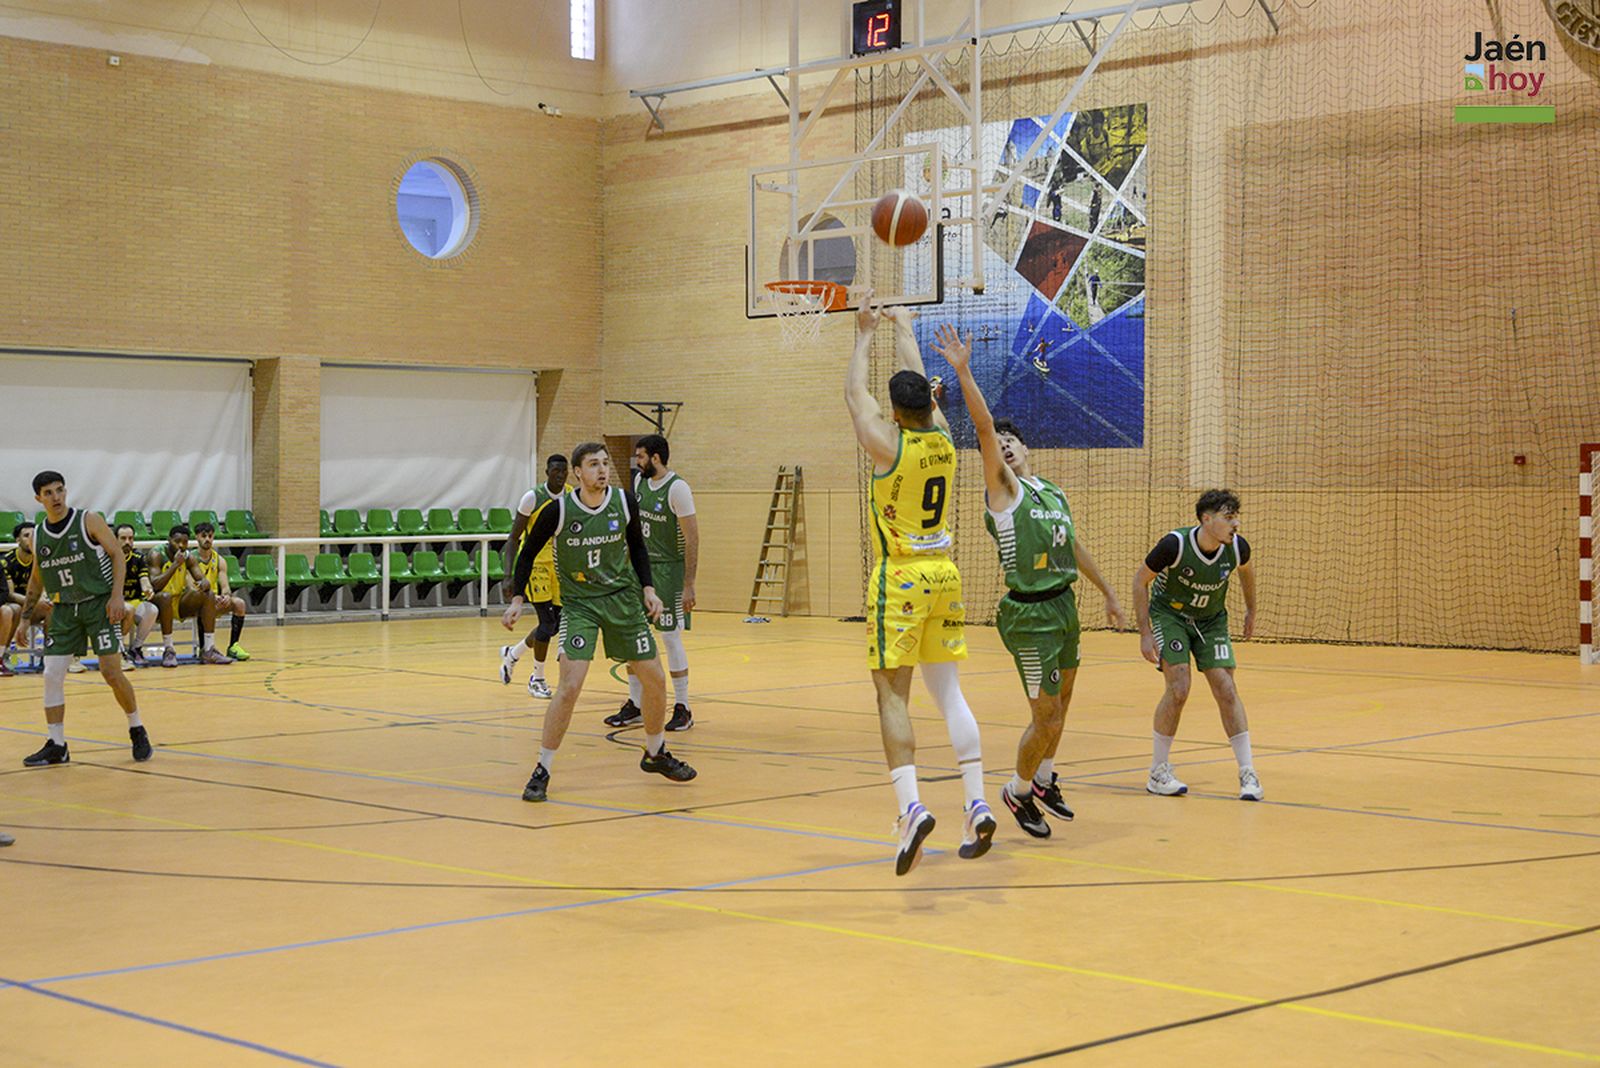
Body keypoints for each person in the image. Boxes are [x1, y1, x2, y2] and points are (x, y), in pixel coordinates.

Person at [934, 324, 1128, 838]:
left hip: (1065, 607)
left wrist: (1107, 591)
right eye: (998, 445)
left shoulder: (1053, 492)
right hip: (1030, 614)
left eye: (1011, 440)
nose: (1004, 447)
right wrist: (963, 370)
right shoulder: (1004, 492)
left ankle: (1043, 779)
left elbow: (1074, 547)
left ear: (1026, 446)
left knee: (1061, 709)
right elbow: (980, 430)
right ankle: (1017, 793)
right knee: (1044, 716)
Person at [848, 296, 996, 876]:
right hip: (946, 576)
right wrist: (905, 325)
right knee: (951, 694)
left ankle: (911, 808)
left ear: (896, 410)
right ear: (929, 402)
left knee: (892, 695)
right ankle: (977, 800)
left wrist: (864, 334)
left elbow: (853, 398)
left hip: (902, 576)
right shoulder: (944, 439)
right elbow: (923, 393)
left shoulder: (889, 444)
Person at [503, 442, 696, 802]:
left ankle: (655, 753)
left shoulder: (624, 501)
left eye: (605, 463)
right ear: (578, 472)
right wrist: (517, 598)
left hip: (623, 600)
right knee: (570, 686)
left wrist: (649, 589)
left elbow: (638, 546)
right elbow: (527, 552)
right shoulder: (558, 510)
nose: (602, 470)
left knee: (654, 677)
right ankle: (542, 768)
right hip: (580, 606)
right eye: (594, 464)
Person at [1132, 489, 1261, 801]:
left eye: (1236, 517)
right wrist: (1145, 632)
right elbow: (1140, 581)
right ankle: (1158, 770)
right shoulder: (1174, 545)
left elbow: (1246, 574)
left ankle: (1248, 772)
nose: (1236, 523)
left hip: (1211, 620)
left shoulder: (1237, 548)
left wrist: (1251, 610)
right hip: (1170, 616)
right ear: (1207, 519)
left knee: (1226, 688)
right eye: (1228, 517)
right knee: (1178, 688)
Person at [18, 471, 152, 767]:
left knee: (111, 673)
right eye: (49, 493)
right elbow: (36, 579)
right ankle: (57, 744)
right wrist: (25, 620)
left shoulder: (88, 520)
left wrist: (117, 596)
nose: (56, 497)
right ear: (38, 498)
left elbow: (117, 554)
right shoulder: (39, 534)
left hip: (98, 605)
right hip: (64, 609)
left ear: (66, 491)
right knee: (51, 674)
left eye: (60, 490)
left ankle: (136, 727)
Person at [607, 434, 699, 732]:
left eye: (642, 456)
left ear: (656, 458)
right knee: (634, 635)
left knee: (670, 637)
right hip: (641, 571)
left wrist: (689, 584)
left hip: (669, 573)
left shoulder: (678, 489)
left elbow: (692, 538)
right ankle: (635, 703)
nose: (638, 461)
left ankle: (683, 707)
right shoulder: (639, 483)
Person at [500, 454, 569, 699]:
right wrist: (509, 576)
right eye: (556, 471)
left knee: (553, 626)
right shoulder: (533, 498)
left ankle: (513, 654)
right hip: (536, 564)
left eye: (564, 471)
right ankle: (537, 678)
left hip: (559, 565)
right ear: (547, 472)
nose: (560, 475)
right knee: (547, 623)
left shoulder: (572, 496)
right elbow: (513, 538)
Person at [148, 524, 232, 666]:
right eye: (177, 541)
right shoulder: (156, 554)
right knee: (165, 597)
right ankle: (169, 649)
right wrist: (175, 565)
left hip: (179, 602)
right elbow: (155, 585)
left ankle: (208, 649)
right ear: (169, 540)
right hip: (157, 602)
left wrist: (204, 584)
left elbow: (202, 579)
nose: (181, 545)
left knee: (208, 594)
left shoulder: (188, 557)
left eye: (185, 542)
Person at [5, 521, 67, 670]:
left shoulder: (43, 558)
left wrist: (45, 597)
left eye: (34, 535)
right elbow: (10, 594)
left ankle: (49, 652)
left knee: (52, 606)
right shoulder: (6, 561)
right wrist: (33, 601)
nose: (31, 539)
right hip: (13, 607)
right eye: (26, 536)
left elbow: (46, 586)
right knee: (14, 608)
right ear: (17, 540)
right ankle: (5, 653)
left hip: (32, 606)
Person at [192, 522, 249, 660]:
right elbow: (192, 587)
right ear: (196, 537)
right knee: (205, 606)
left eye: (210, 536)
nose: (207, 539)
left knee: (239, 603)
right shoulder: (191, 559)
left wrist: (226, 596)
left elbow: (225, 585)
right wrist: (211, 597)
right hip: (196, 600)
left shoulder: (219, 560)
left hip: (214, 599)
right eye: (204, 536)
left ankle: (233, 646)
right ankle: (204, 648)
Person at [113, 523, 160, 667]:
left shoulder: (139, 558)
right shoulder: (108, 557)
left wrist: (148, 589)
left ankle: (135, 648)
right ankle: (118, 652)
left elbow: (144, 579)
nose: (128, 542)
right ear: (115, 539)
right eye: (123, 538)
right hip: (113, 602)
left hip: (133, 601)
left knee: (152, 610)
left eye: (130, 538)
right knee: (126, 610)